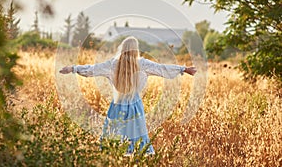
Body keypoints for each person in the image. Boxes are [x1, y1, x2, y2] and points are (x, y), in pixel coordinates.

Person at [59, 36, 196, 156]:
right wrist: (183, 69)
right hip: (135, 107)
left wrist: (73, 68)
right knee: (137, 141)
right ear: (136, 50)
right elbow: (162, 68)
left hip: (116, 106)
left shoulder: (112, 64)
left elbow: (92, 69)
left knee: (113, 140)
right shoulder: (142, 64)